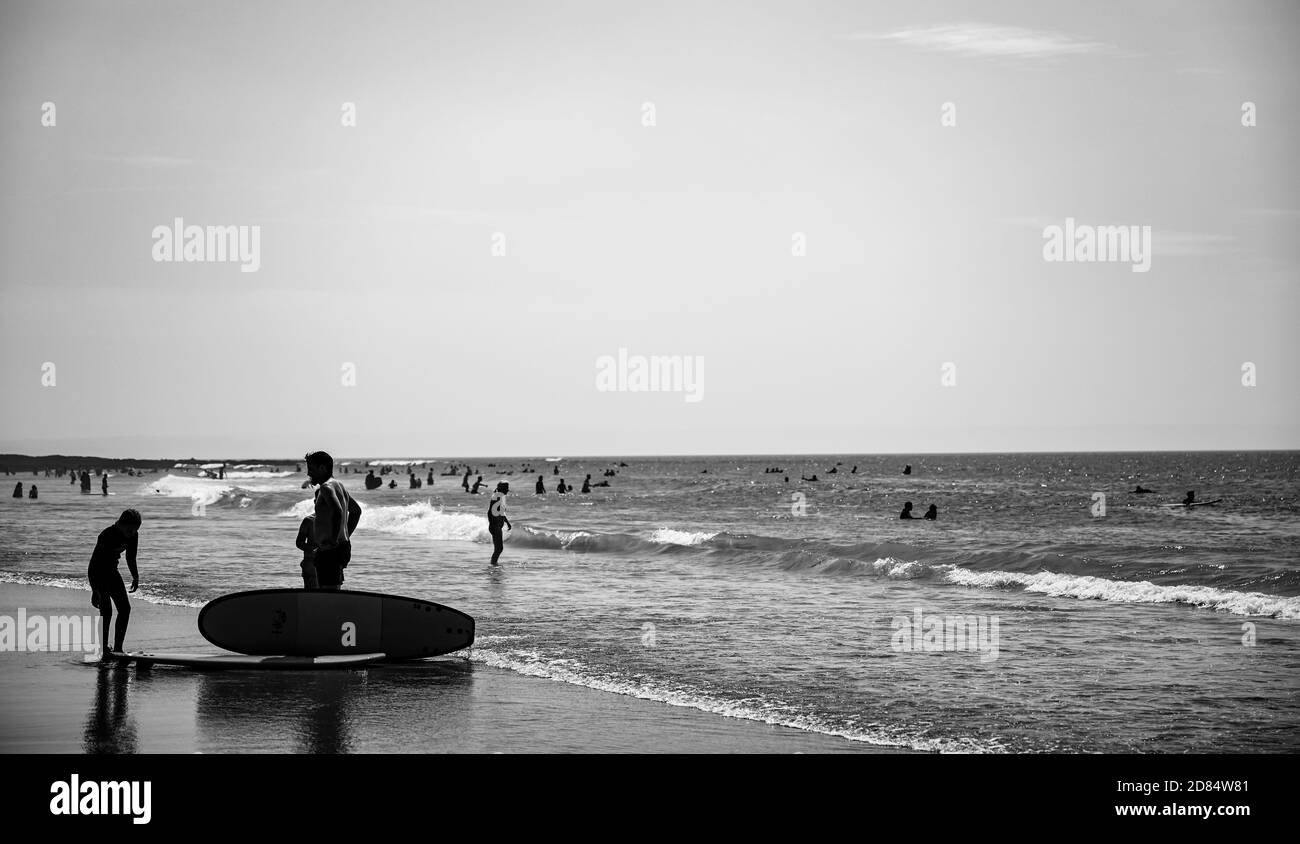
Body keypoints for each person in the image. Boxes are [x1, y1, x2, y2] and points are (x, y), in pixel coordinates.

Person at [87, 509, 142, 658]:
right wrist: (94, 590)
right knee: (107, 612)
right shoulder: (106, 535)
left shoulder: (133, 535)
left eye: (135, 530)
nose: (132, 533)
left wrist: (135, 577)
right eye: (130, 530)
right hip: (99, 574)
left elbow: (131, 557)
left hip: (112, 572)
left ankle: (118, 649)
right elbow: (93, 564)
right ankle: (103, 648)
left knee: (125, 609)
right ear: (121, 524)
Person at [305, 451, 362, 592]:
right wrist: (345, 536)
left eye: (311, 469)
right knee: (332, 593)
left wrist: (332, 540)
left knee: (329, 596)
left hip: (331, 551)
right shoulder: (339, 485)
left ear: (322, 468)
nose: (308, 473)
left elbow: (337, 511)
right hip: (340, 547)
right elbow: (356, 511)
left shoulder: (326, 487)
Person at [487, 482, 512, 566]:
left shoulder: (500, 496)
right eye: (506, 489)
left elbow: (501, 512)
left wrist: (507, 522)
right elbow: (490, 512)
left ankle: (494, 564)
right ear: (502, 489)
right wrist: (494, 524)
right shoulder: (496, 496)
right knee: (499, 549)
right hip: (495, 526)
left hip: (497, 525)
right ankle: (493, 565)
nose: (507, 491)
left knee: (498, 548)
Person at [295, 514, 319, 589]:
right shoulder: (309, 520)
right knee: (310, 594)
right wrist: (314, 550)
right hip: (311, 563)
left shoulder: (334, 518)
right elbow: (299, 542)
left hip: (330, 563)